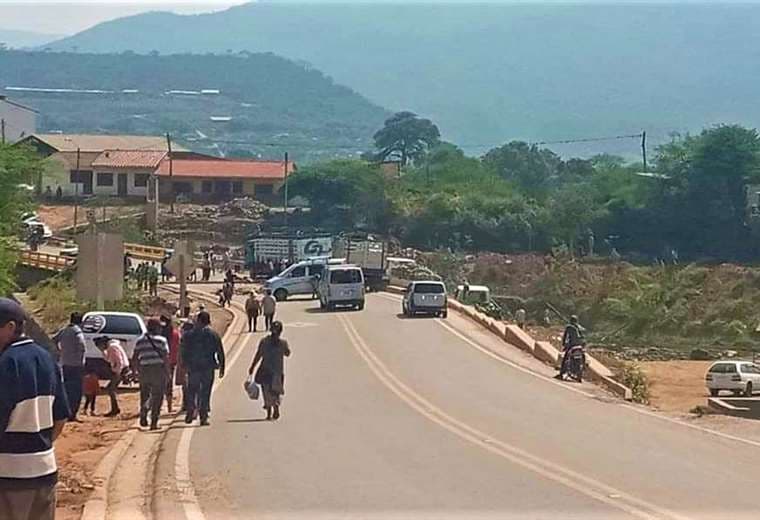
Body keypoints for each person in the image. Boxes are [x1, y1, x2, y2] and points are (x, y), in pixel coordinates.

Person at [0, 298, 69, 520]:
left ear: (10, 327)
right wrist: (39, 447)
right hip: (45, 471)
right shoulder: (46, 358)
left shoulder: (7, 363)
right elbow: (61, 417)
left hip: (10, 477)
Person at [181, 311, 225, 426]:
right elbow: (220, 352)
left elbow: (183, 351)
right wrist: (222, 367)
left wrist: (184, 364)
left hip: (193, 367)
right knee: (205, 392)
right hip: (208, 368)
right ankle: (203, 417)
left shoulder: (188, 335)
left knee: (192, 390)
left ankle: (191, 410)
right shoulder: (214, 335)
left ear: (198, 321)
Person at [248, 321, 291, 421]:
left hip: (265, 369)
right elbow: (288, 353)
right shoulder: (283, 343)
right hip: (277, 372)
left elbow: (258, 354)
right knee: (276, 391)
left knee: (266, 391)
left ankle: (269, 411)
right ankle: (275, 406)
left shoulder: (264, 342)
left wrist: (252, 366)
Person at [133, 318, 170, 430]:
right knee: (157, 396)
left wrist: (136, 371)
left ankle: (144, 410)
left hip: (144, 369)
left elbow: (135, 357)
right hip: (158, 369)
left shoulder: (140, 341)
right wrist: (168, 373)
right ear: (156, 328)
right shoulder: (161, 340)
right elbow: (165, 357)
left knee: (145, 394)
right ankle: (153, 422)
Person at [52, 312, 87, 421]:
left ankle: (66, 413)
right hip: (76, 365)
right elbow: (82, 346)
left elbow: (54, 340)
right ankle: (73, 414)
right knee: (76, 391)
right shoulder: (77, 332)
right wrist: (82, 359)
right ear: (81, 321)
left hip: (65, 363)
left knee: (67, 389)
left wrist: (61, 351)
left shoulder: (64, 331)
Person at [95, 337, 128, 416]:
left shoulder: (112, 347)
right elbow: (109, 359)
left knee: (111, 389)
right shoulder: (111, 347)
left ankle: (115, 409)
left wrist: (117, 372)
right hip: (119, 369)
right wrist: (103, 351)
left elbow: (119, 361)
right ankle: (115, 408)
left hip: (120, 369)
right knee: (111, 389)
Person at [160, 315, 180, 413]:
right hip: (171, 362)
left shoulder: (159, 335)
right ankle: (169, 407)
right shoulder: (175, 334)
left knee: (158, 385)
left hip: (159, 363)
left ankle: (157, 407)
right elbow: (178, 347)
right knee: (169, 385)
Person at [556, 315, 584, 380]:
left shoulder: (569, 327)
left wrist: (564, 344)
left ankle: (561, 373)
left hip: (572, 345)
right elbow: (583, 336)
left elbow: (565, 336)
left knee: (565, 357)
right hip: (580, 346)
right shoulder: (580, 327)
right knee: (582, 358)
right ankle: (579, 374)